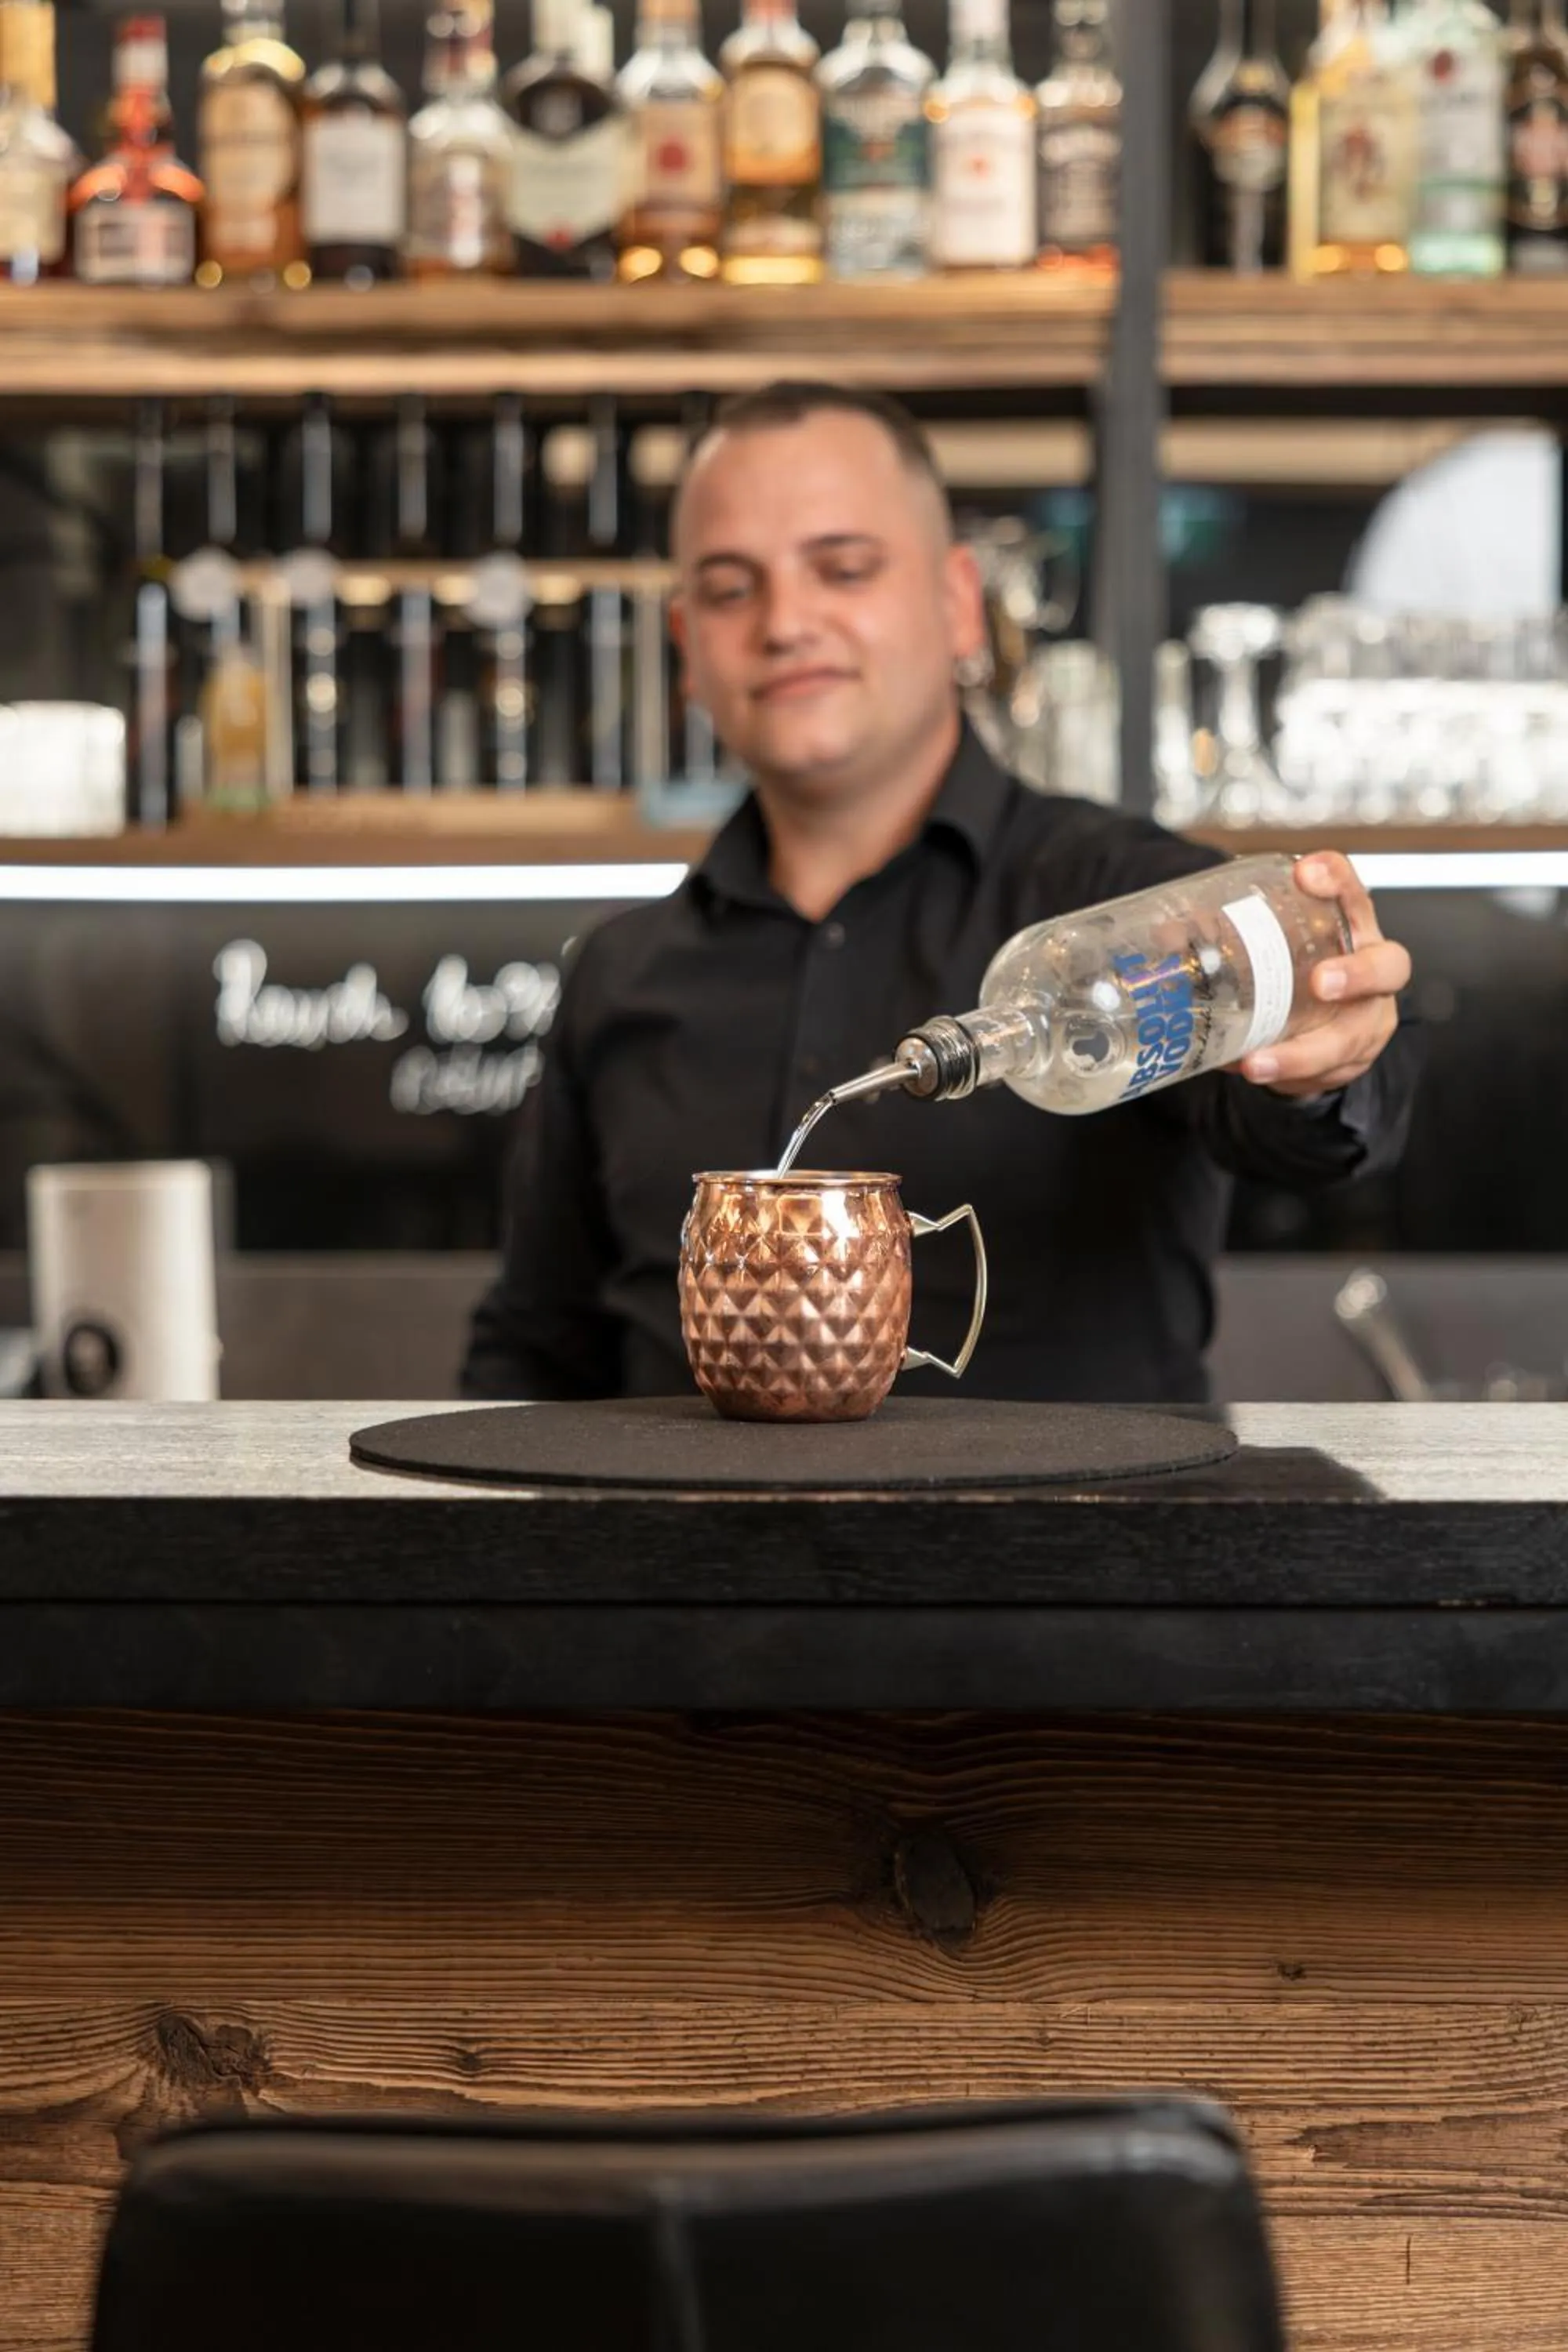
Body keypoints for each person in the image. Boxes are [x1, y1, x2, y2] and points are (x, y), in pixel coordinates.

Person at [463, 382, 1418, 1404]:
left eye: (844, 569)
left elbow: (1310, 1122)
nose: (786, 622)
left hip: (1077, 1515)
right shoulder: (620, 972)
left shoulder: (1118, 901)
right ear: (687, 646)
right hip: (678, 1519)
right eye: (732, 589)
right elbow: (538, 1342)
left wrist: (1327, 1061)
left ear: (961, 604)